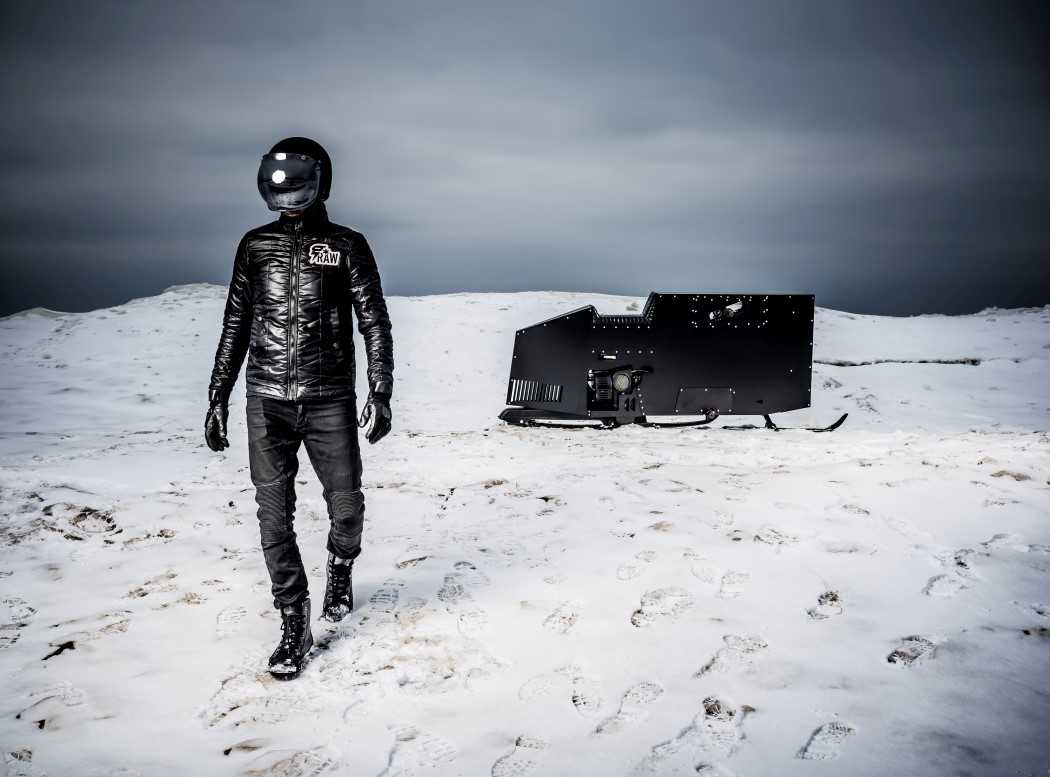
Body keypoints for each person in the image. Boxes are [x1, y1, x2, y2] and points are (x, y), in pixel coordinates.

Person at [205, 137, 394, 679]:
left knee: (347, 508)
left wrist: (380, 389)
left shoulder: (347, 245)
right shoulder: (255, 245)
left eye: (297, 179)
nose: (287, 189)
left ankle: (341, 564)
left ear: (320, 181)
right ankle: (294, 620)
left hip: (329, 398)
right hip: (266, 400)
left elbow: (373, 320)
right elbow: (236, 322)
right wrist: (218, 395)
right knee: (273, 515)